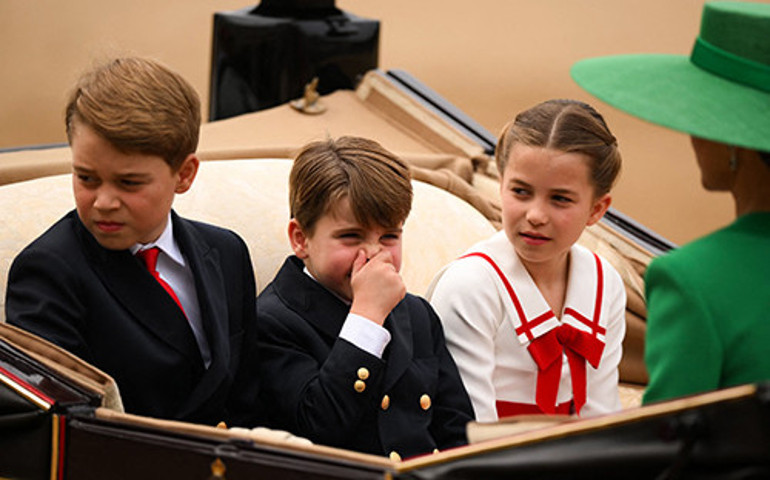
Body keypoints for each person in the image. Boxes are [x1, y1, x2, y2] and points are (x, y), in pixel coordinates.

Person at [5, 57, 261, 427]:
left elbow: (247, 396)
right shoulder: (49, 272)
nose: (104, 202)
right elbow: (66, 430)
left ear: (184, 175)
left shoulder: (226, 252)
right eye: (87, 178)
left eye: (129, 183)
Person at [571, 1, 770, 405]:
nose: (693, 135)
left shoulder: (693, 281)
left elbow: (667, 449)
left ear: (735, 140)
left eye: (701, 116)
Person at [256, 136, 474, 460]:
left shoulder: (416, 315)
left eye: (389, 237)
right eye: (351, 237)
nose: (373, 253)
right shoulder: (271, 322)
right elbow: (318, 425)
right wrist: (366, 316)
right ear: (301, 239)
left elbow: (457, 432)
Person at [428, 99, 626, 422]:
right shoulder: (470, 286)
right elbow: (469, 430)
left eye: (560, 199)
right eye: (520, 191)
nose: (535, 216)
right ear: (501, 184)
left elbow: (601, 418)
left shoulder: (606, 284)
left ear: (597, 209)